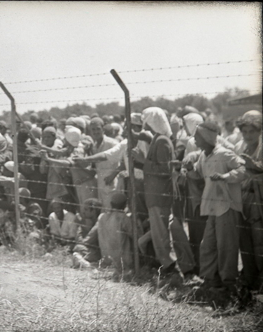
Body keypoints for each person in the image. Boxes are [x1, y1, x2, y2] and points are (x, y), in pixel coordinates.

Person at [185, 122, 245, 294]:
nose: (194, 139)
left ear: (205, 137)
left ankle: (228, 284)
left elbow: (243, 168)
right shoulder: (205, 156)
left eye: (197, 136)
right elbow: (198, 173)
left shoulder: (224, 154)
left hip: (226, 206)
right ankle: (211, 279)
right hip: (212, 207)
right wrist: (189, 169)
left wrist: (226, 176)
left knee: (226, 246)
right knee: (208, 245)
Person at [138, 107, 195, 277]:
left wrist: (142, 162)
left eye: (146, 122)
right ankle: (186, 265)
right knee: (170, 229)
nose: (144, 126)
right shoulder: (158, 139)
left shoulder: (161, 141)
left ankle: (170, 267)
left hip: (159, 195)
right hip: (158, 194)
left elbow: (164, 169)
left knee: (160, 234)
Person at [234, 111, 263, 291]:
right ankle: (249, 278)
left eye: (251, 131)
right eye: (244, 131)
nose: (247, 135)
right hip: (243, 199)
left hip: (259, 201)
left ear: (259, 131)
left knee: (259, 241)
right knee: (244, 241)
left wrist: (255, 167)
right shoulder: (240, 147)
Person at [96, 192, 135, 275]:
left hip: (106, 258)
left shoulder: (101, 217)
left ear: (111, 204)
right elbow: (134, 235)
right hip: (122, 262)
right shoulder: (123, 218)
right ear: (125, 205)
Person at [72, 198, 102, 269]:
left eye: (86, 209)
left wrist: (79, 225)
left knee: (77, 248)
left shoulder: (98, 223)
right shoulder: (93, 222)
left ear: (93, 211)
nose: (83, 212)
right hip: (96, 251)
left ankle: (88, 265)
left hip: (99, 254)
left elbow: (85, 242)